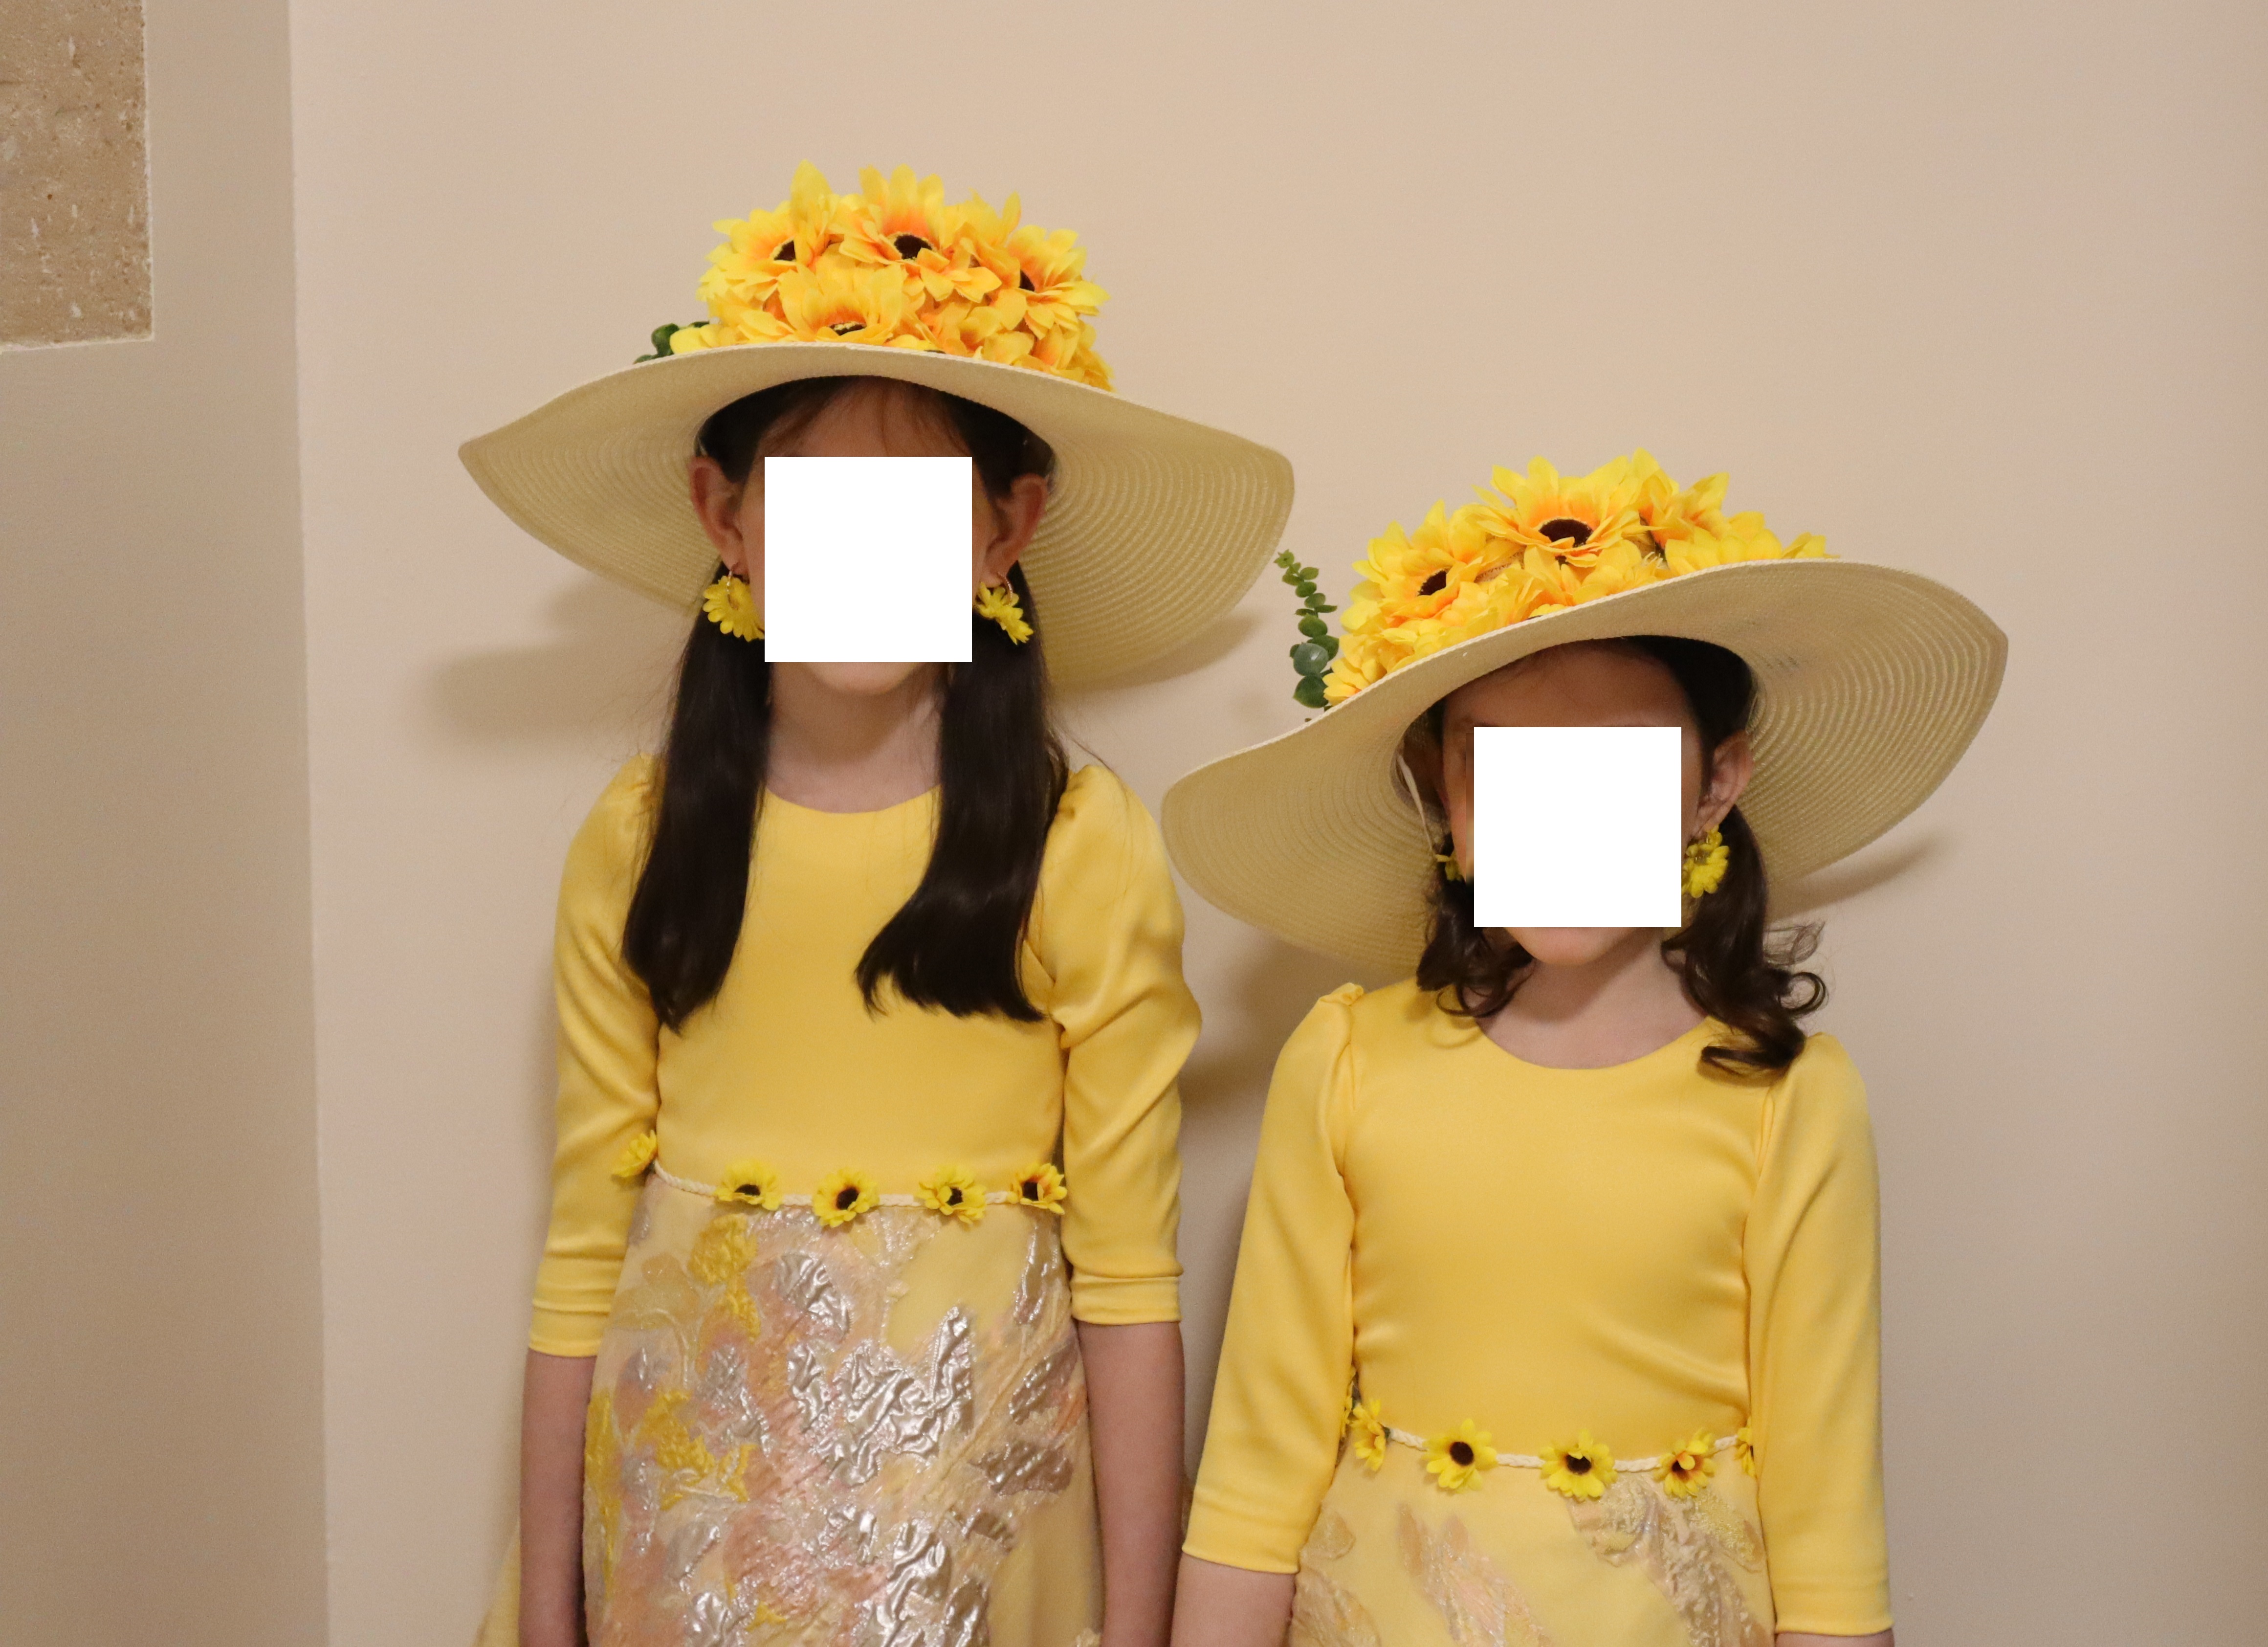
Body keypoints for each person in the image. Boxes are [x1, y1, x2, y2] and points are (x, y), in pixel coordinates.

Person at [459, 162, 1292, 1647]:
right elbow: (584, 1245)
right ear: (724, 514)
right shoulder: (640, 840)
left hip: (977, 1547)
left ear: (1004, 529)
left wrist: (1139, 1630)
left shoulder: (1076, 844)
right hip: (687, 1539)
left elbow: (1128, 1280)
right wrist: (542, 1611)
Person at [1157, 452, 2004, 1646]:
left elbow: (1829, 1537)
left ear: (1715, 783)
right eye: (1508, 768)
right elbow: (1254, 1481)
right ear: (1442, 792)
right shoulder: (1346, 1062)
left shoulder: (1791, 1100)